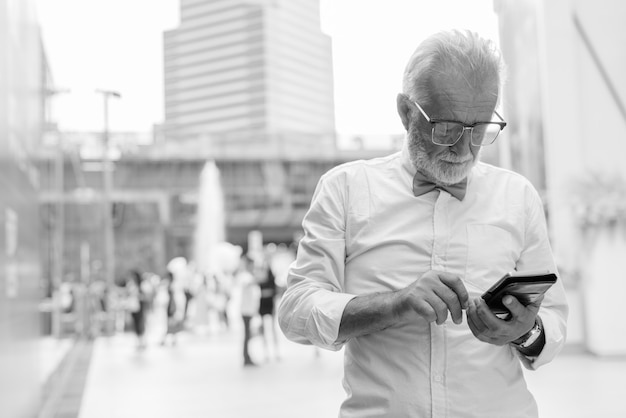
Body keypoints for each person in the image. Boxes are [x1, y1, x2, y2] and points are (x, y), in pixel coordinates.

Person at [277, 29, 568, 418]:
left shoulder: (518, 196)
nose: (464, 150)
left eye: (479, 130)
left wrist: (524, 332)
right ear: (406, 111)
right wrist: (394, 305)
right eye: (446, 129)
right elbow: (296, 310)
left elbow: (554, 316)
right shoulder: (345, 189)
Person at [236, 255, 261, 366]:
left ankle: (247, 356)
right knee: (247, 335)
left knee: (248, 334)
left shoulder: (248, 275)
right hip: (245, 310)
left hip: (249, 310)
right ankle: (246, 357)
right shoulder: (245, 276)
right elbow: (246, 284)